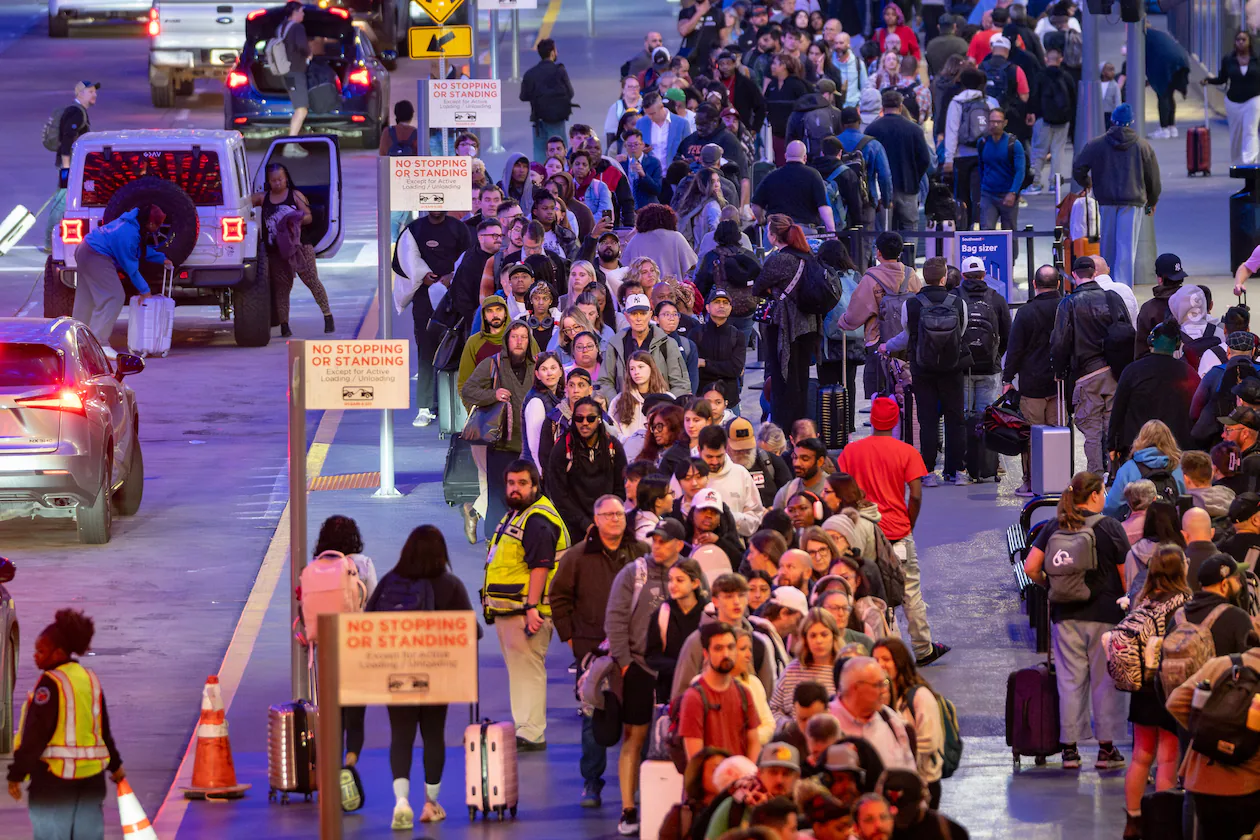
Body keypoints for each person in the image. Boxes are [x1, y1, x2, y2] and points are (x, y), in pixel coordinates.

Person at [365, 526, 479, 828]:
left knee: (400, 736)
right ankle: (431, 803)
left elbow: (367, 624)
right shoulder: (450, 585)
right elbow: (472, 630)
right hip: (436, 673)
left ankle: (401, 801)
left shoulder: (390, 581)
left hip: (396, 672)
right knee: (433, 735)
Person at [1022, 471, 1130, 771]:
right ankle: (1106, 750)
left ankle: (1069, 751)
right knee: (1104, 682)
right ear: (1095, 495)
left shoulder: (1055, 524)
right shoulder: (1110, 527)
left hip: (1065, 614)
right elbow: (1125, 575)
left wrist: (1051, 586)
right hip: (1106, 616)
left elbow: (1031, 567)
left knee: (1070, 681)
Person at [550, 494, 648, 808]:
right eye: (608, 514)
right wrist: (573, 642)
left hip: (636, 654)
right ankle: (592, 782)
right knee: (594, 719)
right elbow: (559, 599)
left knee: (640, 718)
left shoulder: (642, 554)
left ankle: (640, 784)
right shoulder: (577, 556)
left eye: (619, 514)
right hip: (593, 653)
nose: (615, 519)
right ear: (596, 520)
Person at [837, 397, 950, 667]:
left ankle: (871, 647)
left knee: (866, 591)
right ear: (896, 420)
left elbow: (840, 487)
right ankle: (922, 649)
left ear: (872, 420)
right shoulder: (907, 452)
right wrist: (908, 522)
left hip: (862, 530)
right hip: (897, 532)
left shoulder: (851, 452)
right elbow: (917, 495)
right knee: (909, 591)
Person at [606, 518, 689, 835]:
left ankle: (677, 806)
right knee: (634, 739)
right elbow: (614, 620)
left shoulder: (691, 573)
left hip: (676, 670)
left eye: (664, 541)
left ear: (679, 545)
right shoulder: (634, 573)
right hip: (639, 668)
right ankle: (629, 809)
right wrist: (626, 664)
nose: (657, 545)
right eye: (654, 539)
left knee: (678, 739)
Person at [8, 609, 123, 839]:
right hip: (92, 782)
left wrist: (17, 773)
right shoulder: (89, 679)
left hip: (55, 782)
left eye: (41, 651)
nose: (35, 656)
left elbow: (36, 735)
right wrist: (116, 766)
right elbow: (102, 729)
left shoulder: (50, 684)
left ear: (58, 653)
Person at [482, 460, 569, 752]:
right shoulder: (519, 515)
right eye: (511, 483)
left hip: (525, 613)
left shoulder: (537, 521)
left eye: (522, 483)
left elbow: (540, 567)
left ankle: (531, 731)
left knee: (528, 671)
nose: (515, 489)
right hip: (512, 611)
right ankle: (526, 727)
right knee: (521, 671)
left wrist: (532, 607)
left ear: (535, 485)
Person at [1165, 573, 1260, 840]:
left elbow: (1176, 702)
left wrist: (1206, 732)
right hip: (1249, 785)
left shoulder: (1222, 665)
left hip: (1204, 779)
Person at [1116, 545, 1190, 838]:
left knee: (1140, 755)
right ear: (1179, 569)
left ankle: (1133, 820)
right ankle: (1162, 822)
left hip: (1141, 686)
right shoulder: (1183, 602)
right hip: (1168, 685)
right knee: (1168, 756)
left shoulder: (1141, 599)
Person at [882, 254, 971, 486]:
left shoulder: (911, 304)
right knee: (956, 419)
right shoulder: (958, 302)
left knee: (927, 419)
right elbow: (961, 332)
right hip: (952, 369)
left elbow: (908, 334)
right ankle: (956, 470)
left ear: (924, 278)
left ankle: (928, 471)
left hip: (922, 368)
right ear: (944, 279)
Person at [1050, 256, 1132, 473]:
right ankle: (1114, 474)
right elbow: (1127, 330)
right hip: (1114, 372)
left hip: (1086, 374)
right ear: (1095, 273)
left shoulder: (1068, 303)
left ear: (1075, 275)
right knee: (1112, 426)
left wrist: (1059, 371)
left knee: (1092, 431)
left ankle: (1095, 477)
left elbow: (1059, 342)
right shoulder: (1113, 298)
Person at [396, 208, 473, 427]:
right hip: (423, 300)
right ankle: (425, 406)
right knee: (426, 351)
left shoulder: (459, 229)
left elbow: (468, 259)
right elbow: (400, 262)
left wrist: (451, 277)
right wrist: (422, 277)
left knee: (457, 348)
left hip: (453, 298)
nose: (435, 206)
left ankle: (457, 404)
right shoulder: (414, 229)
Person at [1071, 103, 1161, 289]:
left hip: (1106, 200)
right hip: (1133, 201)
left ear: (1112, 120)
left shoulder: (1096, 144)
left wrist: (1087, 183)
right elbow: (1153, 179)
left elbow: (1078, 167)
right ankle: (1123, 290)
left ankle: (1105, 286)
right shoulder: (1142, 146)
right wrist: (1151, 202)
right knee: (1127, 249)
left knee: (1108, 248)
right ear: (1131, 122)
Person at [463, 323, 538, 538]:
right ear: (507, 340)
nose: (519, 341)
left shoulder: (537, 364)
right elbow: (469, 390)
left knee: (529, 494)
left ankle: (524, 538)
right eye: (514, 336)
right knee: (498, 494)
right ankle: (493, 540)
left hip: (531, 443)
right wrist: (493, 395)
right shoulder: (492, 364)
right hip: (502, 443)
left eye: (524, 337)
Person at [70, 203, 174, 355]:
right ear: (151, 223)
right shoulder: (129, 234)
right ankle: (100, 343)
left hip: (84, 249)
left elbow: (139, 250)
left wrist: (161, 258)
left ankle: (76, 341)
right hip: (96, 255)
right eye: (157, 225)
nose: (158, 230)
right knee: (114, 296)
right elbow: (131, 268)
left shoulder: (131, 223)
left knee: (86, 300)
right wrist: (145, 291)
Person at [756, 216, 823, 428]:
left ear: (774, 236)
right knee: (801, 377)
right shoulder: (808, 256)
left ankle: (784, 429)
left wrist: (772, 290)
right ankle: (801, 427)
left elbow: (757, 287)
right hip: (809, 325)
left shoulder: (779, 260)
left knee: (783, 378)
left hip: (785, 325)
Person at [839, 231, 921, 400]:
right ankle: (905, 424)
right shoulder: (911, 274)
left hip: (879, 341)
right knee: (907, 389)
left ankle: (884, 422)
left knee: (880, 392)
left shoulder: (870, 278)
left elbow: (854, 315)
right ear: (900, 252)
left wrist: (843, 322)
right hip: (907, 340)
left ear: (878, 252)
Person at [1003, 265, 1062, 495]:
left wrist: (1008, 378)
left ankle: (1030, 482)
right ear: (1058, 284)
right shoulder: (1066, 308)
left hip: (1032, 385)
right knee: (1058, 434)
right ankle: (1057, 480)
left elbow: (1015, 348)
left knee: (1030, 436)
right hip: (1059, 384)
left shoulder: (1026, 312)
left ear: (1034, 284)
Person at [673, 573, 778, 699]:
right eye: (728, 596)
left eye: (741, 595)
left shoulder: (758, 643)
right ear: (715, 601)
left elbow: (767, 696)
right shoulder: (698, 641)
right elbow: (681, 693)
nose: (736, 602)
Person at [1109, 321, 1201, 459]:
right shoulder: (1189, 373)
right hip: (1176, 452)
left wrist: (1112, 445)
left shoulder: (1132, 371)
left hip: (1138, 450)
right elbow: (1196, 411)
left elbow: (1118, 410)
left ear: (1152, 340)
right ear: (1177, 344)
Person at [871, 637, 944, 809]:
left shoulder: (920, 697)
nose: (879, 664)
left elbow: (930, 742)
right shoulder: (876, 696)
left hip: (923, 782)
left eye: (886, 659)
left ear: (900, 662)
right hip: (891, 783)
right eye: (875, 660)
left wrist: (894, 751)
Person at [546, 396, 628, 538]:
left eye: (590, 418)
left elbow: (621, 488)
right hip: (572, 526)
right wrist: (586, 524)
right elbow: (559, 494)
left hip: (608, 522)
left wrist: (607, 517)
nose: (585, 423)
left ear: (599, 419)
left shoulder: (613, 446)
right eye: (579, 418)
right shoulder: (562, 448)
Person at [829, 657, 915, 771]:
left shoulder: (889, 718)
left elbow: (910, 771)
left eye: (885, 683)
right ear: (856, 688)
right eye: (878, 685)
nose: (884, 690)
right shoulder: (826, 722)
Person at [864, 91, 933, 232]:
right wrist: (915, 177)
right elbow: (925, 160)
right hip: (908, 187)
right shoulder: (914, 129)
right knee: (910, 228)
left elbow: (867, 161)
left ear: (882, 107)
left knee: (884, 232)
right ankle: (909, 254)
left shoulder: (872, 129)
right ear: (901, 106)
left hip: (881, 190)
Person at [957, 255, 1011, 420]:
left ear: (963, 275)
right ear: (984, 274)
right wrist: (995, 355)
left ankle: (964, 446)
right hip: (990, 368)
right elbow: (1008, 335)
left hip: (962, 368)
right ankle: (983, 446)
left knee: (962, 416)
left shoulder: (954, 297)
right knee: (987, 417)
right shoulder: (997, 299)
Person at [45, 80, 97, 252]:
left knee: (62, 200)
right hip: (69, 166)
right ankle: (49, 242)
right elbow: (67, 142)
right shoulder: (76, 113)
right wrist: (67, 171)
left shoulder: (79, 112)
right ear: (80, 93)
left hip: (71, 165)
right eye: (90, 91)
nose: (94, 94)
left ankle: (50, 240)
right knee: (62, 201)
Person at [943, 67, 998, 229]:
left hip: (962, 156)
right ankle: (984, 227)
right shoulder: (990, 102)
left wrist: (948, 158)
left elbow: (952, 130)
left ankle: (964, 230)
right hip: (985, 154)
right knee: (983, 194)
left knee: (962, 196)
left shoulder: (957, 102)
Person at [769, 608, 844, 726]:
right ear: (805, 639)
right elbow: (774, 709)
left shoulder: (843, 670)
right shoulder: (791, 671)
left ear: (834, 637)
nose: (819, 641)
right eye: (813, 636)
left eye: (824, 635)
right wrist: (787, 725)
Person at [751, 141, 835, 233]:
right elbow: (823, 208)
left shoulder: (771, 176)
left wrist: (761, 220)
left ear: (785, 156)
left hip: (776, 232)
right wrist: (831, 231)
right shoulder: (813, 175)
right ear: (805, 157)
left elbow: (755, 206)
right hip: (804, 232)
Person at [1204, 31, 1260, 166]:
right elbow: (1222, 79)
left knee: (1250, 130)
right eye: (1238, 40)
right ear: (1234, 42)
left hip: (1253, 99)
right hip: (1233, 102)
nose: (1240, 42)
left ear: (1249, 42)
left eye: (1243, 40)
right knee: (1236, 133)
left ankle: (1250, 161)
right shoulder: (1228, 60)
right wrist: (1208, 81)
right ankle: (1237, 161)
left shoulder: (1257, 60)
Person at [699, 425, 765, 537]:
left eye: (719, 456)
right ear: (699, 450)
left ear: (726, 449)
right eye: (709, 457)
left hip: (734, 548)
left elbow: (756, 519)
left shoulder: (741, 474)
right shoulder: (688, 474)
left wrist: (729, 518)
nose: (715, 462)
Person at [521, 39, 576, 162]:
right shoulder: (559, 71)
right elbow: (570, 93)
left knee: (540, 153)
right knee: (559, 152)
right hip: (557, 119)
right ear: (552, 52)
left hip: (539, 119)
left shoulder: (531, 73)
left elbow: (523, 96)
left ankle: (540, 178)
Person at [975, 108, 1025, 241]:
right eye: (991, 121)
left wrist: (1013, 192)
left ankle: (1010, 260)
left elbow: (1020, 170)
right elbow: (981, 166)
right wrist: (983, 187)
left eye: (998, 121)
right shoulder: (982, 143)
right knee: (986, 232)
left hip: (1007, 195)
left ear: (1005, 123)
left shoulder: (1014, 144)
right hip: (988, 194)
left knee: (1009, 232)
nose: (994, 125)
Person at [1134, 253, 1189, 359]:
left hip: (1158, 367)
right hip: (1190, 367)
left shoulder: (1149, 309)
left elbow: (1141, 351)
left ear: (1160, 279)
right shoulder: (1194, 303)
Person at [276, 2, 312, 149]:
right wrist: (309, 55)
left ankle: (293, 141)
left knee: (299, 107)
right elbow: (302, 46)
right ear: (295, 12)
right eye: (302, 11)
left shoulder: (281, 28)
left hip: (286, 72)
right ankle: (291, 144)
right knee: (302, 108)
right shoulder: (297, 27)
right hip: (296, 72)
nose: (303, 14)